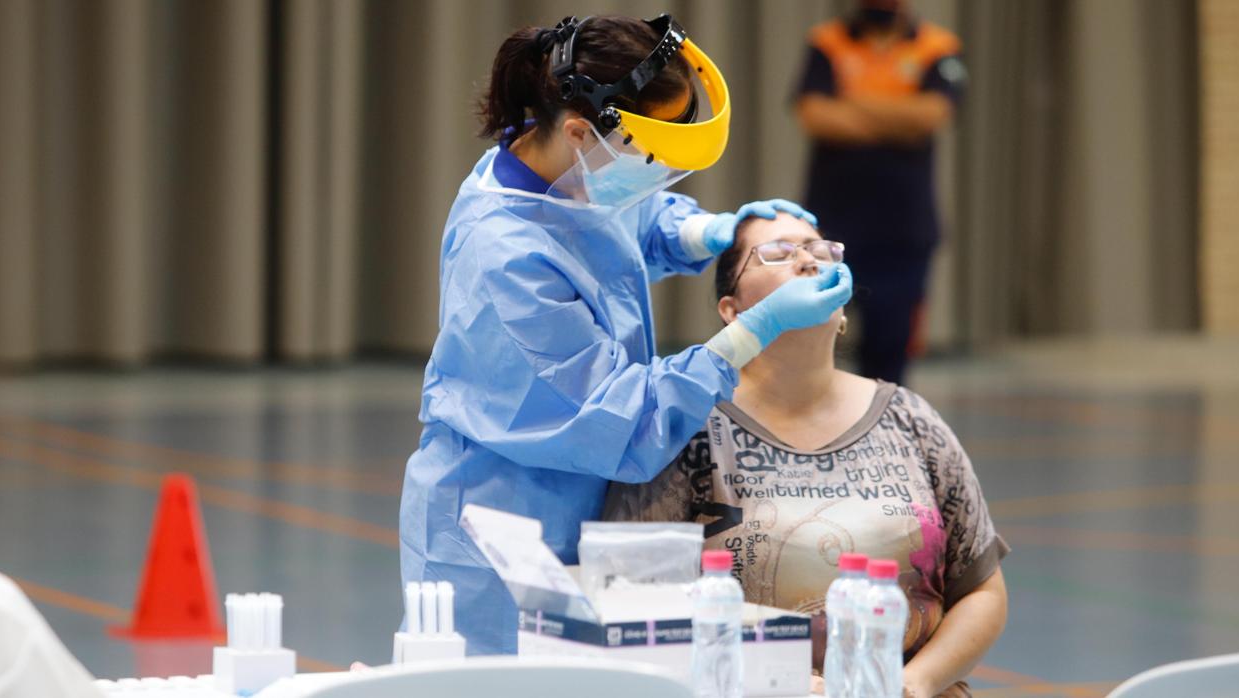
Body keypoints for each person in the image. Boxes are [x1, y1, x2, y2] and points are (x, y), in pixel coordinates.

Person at [399, 14, 854, 655]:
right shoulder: (507, 256)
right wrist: (757, 330)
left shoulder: (560, 167)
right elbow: (622, 422)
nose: (656, 174)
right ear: (583, 131)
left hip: (579, 513)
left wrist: (714, 232)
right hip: (496, 536)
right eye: (653, 157)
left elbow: (625, 214)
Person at [605, 212, 1007, 698]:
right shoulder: (686, 427)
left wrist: (911, 682)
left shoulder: (911, 419)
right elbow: (628, 603)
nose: (806, 260)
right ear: (732, 311)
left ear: (842, 310)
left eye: (822, 251)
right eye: (777, 252)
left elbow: (982, 592)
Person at [794, 0, 967, 386]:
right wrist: (900, 122)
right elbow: (815, 114)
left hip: (904, 226)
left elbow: (934, 114)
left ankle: (884, 430)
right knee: (808, 339)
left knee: (890, 350)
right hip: (832, 221)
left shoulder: (938, 47)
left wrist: (852, 102)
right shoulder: (827, 43)